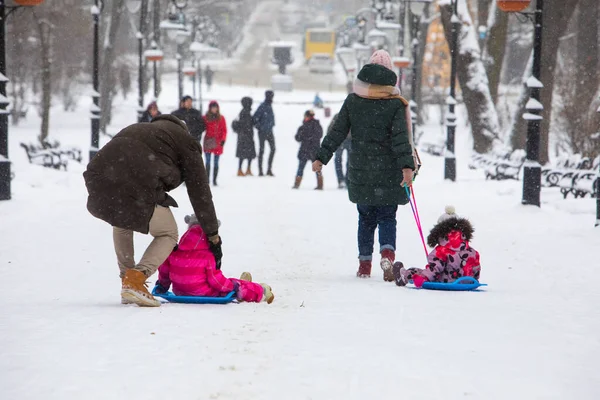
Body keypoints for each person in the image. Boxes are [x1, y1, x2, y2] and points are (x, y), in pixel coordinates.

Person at [83, 115, 222, 307]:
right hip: (136, 180)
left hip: (99, 177)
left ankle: (128, 282)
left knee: (122, 219)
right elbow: (200, 192)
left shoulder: (139, 129)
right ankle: (136, 278)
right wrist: (213, 234)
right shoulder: (185, 141)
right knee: (168, 232)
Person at [312, 49, 416, 281]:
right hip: (389, 171)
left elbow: (337, 131)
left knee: (365, 218)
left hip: (361, 171)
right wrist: (407, 167)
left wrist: (321, 156)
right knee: (388, 216)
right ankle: (387, 253)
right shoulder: (395, 104)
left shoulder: (353, 100)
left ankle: (364, 264)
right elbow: (401, 139)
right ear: (390, 73)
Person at [154, 214, 274, 304]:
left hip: (179, 292)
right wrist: (232, 288)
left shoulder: (174, 252)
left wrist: (162, 287)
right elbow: (215, 280)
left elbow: (164, 272)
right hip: (203, 293)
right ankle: (260, 291)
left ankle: (246, 287)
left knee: (227, 285)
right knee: (234, 284)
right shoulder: (207, 256)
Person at [393, 206, 481, 288]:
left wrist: (424, 279)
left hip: (444, 281)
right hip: (466, 282)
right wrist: (474, 280)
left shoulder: (441, 251)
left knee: (416, 271)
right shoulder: (472, 252)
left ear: (440, 231)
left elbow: (434, 269)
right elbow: (476, 268)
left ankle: (404, 276)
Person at [293, 110, 324, 190]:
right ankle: (320, 185)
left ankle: (297, 184)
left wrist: (304, 136)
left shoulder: (304, 126)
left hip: (305, 150)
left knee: (301, 168)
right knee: (317, 169)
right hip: (314, 151)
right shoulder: (317, 125)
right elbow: (320, 135)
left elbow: (297, 138)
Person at [203, 100, 227, 186]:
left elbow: (224, 130)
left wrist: (223, 139)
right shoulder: (205, 118)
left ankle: (214, 180)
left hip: (218, 142)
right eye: (212, 107)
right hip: (209, 141)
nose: (214, 109)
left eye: (215, 107)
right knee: (208, 162)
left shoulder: (221, 118)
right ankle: (207, 180)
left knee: (216, 162)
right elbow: (200, 126)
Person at [232, 97, 257, 176]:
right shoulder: (245, 112)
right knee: (246, 153)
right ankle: (243, 169)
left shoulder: (243, 112)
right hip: (246, 136)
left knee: (244, 153)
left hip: (243, 135)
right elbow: (247, 124)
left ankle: (244, 169)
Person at [253, 90, 276, 177]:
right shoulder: (262, 106)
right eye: (270, 96)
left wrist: (272, 124)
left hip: (269, 131)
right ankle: (260, 170)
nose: (271, 98)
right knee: (262, 150)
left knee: (273, 149)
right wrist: (260, 127)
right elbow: (255, 119)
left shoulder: (269, 106)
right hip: (262, 132)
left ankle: (269, 169)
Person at [328, 113, 352, 189]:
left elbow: (330, 128)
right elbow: (330, 128)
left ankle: (343, 180)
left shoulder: (338, 115)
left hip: (346, 140)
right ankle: (343, 180)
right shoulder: (339, 116)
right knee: (344, 161)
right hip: (343, 140)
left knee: (346, 161)